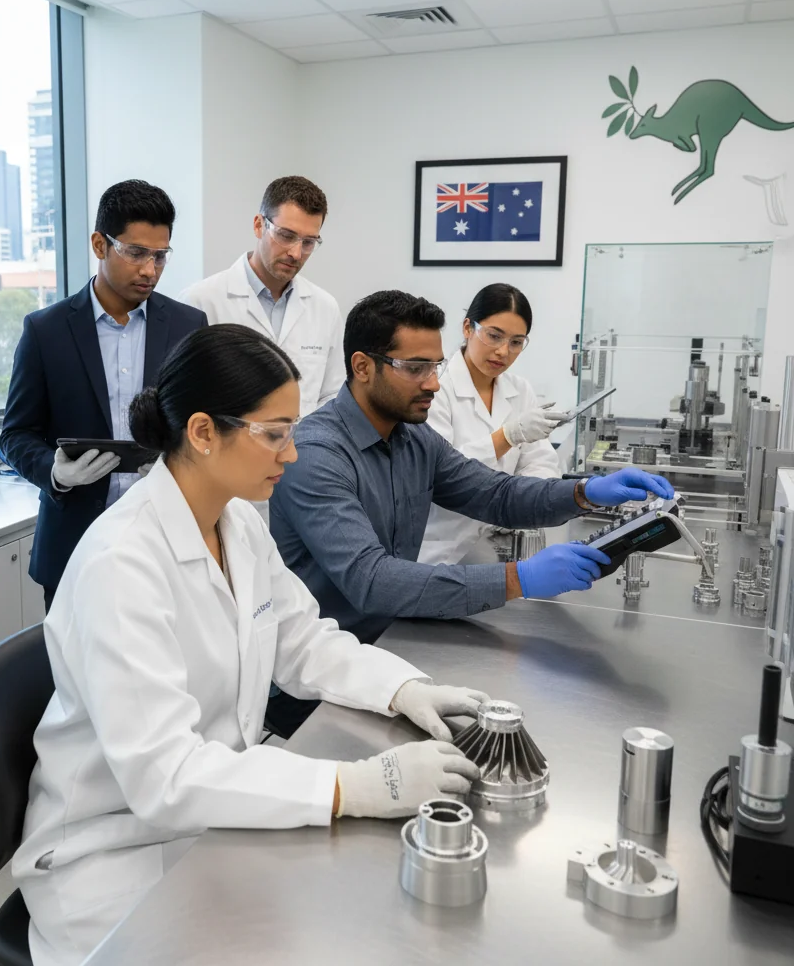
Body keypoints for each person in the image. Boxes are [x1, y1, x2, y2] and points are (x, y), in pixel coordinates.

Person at [12, 324, 492, 966]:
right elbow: (165, 776)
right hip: (114, 850)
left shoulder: (234, 520)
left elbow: (302, 639)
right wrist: (353, 786)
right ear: (205, 432)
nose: (290, 455)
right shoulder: (121, 564)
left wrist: (404, 687)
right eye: (275, 433)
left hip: (207, 818)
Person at [267, 290, 673, 738]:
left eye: (436, 366)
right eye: (415, 368)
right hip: (316, 682)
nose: (434, 384)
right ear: (363, 367)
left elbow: (496, 493)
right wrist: (519, 578)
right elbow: (373, 581)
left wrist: (584, 492)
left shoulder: (411, 439)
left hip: (388, 647)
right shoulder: (317, 453)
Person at [1, 180, 206, 611]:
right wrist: (55, 473)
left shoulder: (190, 325)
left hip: (168, 540)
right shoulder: (45, 331)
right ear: (100, 244)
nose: (150, 269)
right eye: (136, 252)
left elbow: (205, 424)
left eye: (161, 255)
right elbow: (16, 433)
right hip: (75, 545)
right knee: (76, 677)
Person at [420, 283, 563, 565]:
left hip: (500, 545)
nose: (502, 351)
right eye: (494, 336)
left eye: (516, 342)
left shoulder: (520, 390)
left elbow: (541, 462)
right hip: (440, 549)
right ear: (467, 328)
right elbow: (440, 474)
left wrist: (517, 506)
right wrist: (507, 436)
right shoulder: (436, 388)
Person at [180, 176, 344, 419]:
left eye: (308, 242)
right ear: (259, 225)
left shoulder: (325, 307)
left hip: (303, 451)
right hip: (227, 453)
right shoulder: (201, 301)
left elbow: (332, 394)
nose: (296, 253)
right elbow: (185, 395)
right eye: (286, 235)